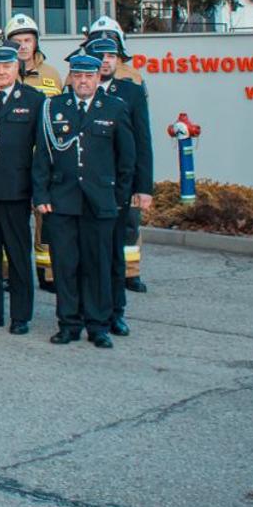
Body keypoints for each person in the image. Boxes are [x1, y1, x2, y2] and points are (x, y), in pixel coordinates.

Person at [34, 53, 137, 350]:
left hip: (99, 201)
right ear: (71, 78)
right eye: (77, 76)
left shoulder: (115, 108)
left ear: (98, 77)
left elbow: (126, 159)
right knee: (65, 266)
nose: (83, 81)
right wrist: (41, 195)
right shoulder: (53, 107)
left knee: (98, 266)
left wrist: (119, 199)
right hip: (62, 200)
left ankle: (98, 325)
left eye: (88, 76)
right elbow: (42, 156)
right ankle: (68, 324)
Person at [0, 43, 44, 335]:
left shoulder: (34, 100)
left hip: (16, 190)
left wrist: (38, 191)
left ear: (17, 67)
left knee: (18, 255)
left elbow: (42, 152)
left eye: (7, 66)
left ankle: (20, 315)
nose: (1, 72)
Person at [86, 30, 153, 336]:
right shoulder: (76, 88)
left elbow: (142, 141)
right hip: (82, 188)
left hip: (116, 188)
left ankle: (116, 312)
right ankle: (87, 311)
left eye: (110, 55)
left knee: (114, 253)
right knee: (86, 253)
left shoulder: (131, 93)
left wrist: (143, 187)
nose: (105, 61)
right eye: (99, 56)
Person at [3, 13, 63, 97]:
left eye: (27, 40)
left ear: (36, 43)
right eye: (17, 42)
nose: (23, 46)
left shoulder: (51, 74)